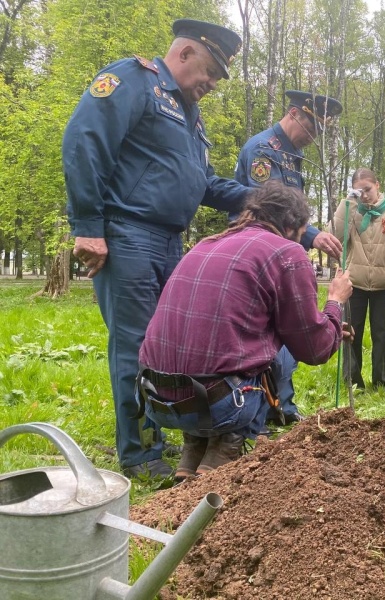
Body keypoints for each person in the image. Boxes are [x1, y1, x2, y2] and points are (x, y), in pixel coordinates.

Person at [62, 19, 250, 479]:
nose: (210, 84)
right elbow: (85, 141)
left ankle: (177, 433)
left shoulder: (189, 115)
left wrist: (259, 199)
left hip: (170, 242)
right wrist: (88, 225)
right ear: (184, 54)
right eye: (208, 72)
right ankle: (141, 454)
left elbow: (202, 183)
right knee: (136, 346)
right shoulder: (134, 80)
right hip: (128, 235)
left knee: (172, 344)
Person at [137, 181, 353, 479]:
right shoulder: (288, 252)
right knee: (276, 358)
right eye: (303, 235)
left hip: (158, 399)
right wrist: (334, 303)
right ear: (292, 226)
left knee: (220, 346)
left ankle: (192, 456)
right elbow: (312, 349)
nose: (302, 242)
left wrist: (327, 326)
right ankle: (222, 453)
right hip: (218, 403)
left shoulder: (207, 243)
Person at [234, 90, 344, 426]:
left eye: (320, 131)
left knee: (284, 329)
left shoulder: (293, 155)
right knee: (265, 333)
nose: (314, 137)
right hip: (258, 254)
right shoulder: (264, 150)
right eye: (312, 127)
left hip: (281, 251)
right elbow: (270, 208)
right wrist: (312, 235)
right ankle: (261, 408)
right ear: (295, 114)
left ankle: (283, 405)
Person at [329, 168, 385, 390]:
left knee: (382, 335)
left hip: (383, 286)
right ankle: (352, 380)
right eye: (359, 191)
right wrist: (346, 204)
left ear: (377, 185)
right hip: (354, 284)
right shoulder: (351, 214)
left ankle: (381, 381)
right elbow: (334, 236)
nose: (364, 195)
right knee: (350, 332)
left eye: (367, 189)